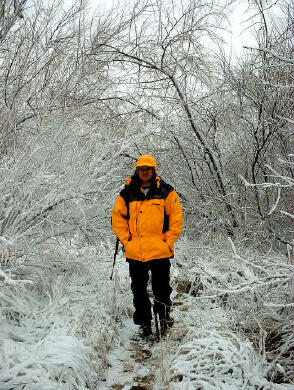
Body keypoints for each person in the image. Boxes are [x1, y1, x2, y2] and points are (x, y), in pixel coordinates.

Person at [112, 155, 183, 338]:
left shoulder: (166, 191)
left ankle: (164, 317)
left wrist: (167, 241)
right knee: (138, 289)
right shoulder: (127, 192)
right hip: (136, 251)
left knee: (162, 289)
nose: (145, 171)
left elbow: (176, 219)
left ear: (153, 170)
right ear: (137, 171)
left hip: (159, 250)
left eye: (148, 168)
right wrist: (127, 240)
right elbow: (117, 219)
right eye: (141, 168)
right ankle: (144, 323)